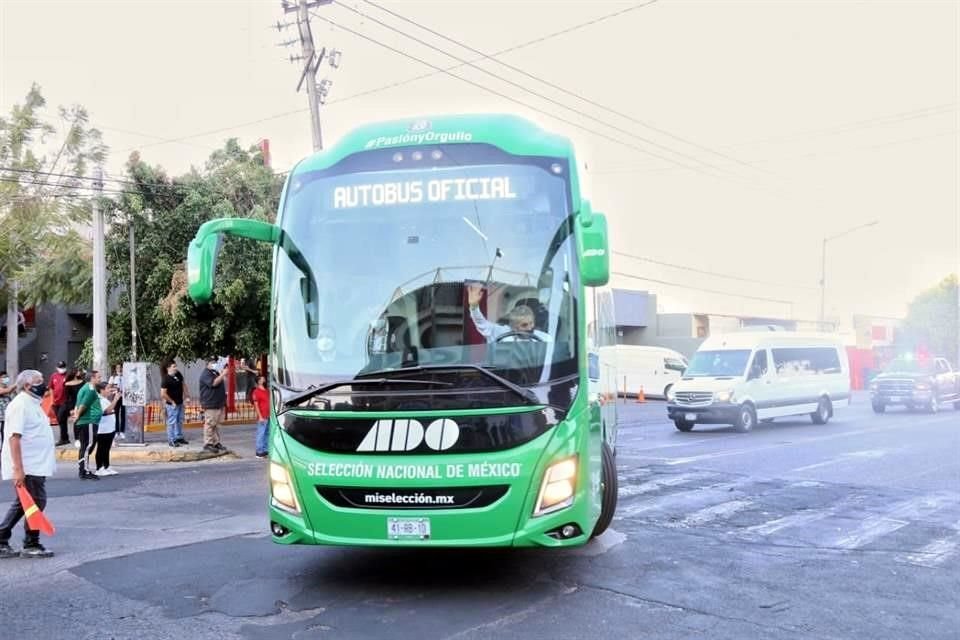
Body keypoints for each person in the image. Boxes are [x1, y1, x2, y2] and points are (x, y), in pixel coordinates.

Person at [0, 370, 56, 558]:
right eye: (38, 381)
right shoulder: (20, 405)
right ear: (26, 386)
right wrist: (18, 469)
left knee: (25, 503)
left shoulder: (33, 403)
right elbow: (14, 438)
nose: (43, 384)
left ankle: (2, 538)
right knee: (36, 501)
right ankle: (31, 542)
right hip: (27, 465)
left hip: (36, 464)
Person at [466, 284, 551, 342]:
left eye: (531, 323)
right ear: (513, 326)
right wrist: (474, 305)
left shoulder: (545, 338)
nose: (530, 328)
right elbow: (481, 323)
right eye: (524, 325)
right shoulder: (502, 332)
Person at [71, 370, 102, 480]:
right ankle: (84, 471)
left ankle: (84, 469)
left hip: (86, 422)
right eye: (98, 377)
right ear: (92, 378)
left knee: (85, 447)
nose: (100, 379)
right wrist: (78, 416)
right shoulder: (90, 389)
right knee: (87, 447)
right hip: (88, 421)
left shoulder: (84, 388)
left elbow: (77, 404)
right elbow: (83, 404)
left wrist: (76, 415)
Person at [198, 357, 228, 454]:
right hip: (210, 403)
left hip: (218, 403)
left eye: (215, 362)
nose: (215, 364)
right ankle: (208, 443)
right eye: (213, 362)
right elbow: (213, 383)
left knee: (216, 425)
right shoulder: (206, 374)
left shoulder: (215, 372)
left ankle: (216, 442)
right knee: (210, 424)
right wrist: (223, 374)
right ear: (208, 363)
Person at [160, 361, 189, 448]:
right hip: (172, 404)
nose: (175, 368)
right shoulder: (166, 379)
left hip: (180, 402)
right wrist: (172, 402)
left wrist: (187, 396)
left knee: (179, 420)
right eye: (173, 366)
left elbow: (184, 385)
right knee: (172, 422)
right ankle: (171, 440)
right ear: (168, 368)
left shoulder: (178, 374)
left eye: (176, 366)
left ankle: (178, 437)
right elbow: (163, 394)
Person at [94, 383, 121, 475]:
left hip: (109, 428)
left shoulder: (105, 399)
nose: (110, 390)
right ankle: (99, 468)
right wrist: (115, 400)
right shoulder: (99, 400)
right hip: (103, 429)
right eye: (108, 388)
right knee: (101, 448)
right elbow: (107, 410)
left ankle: (107, 466)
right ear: (101, 390)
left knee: (106, 448)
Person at [62, 369, 85, 447]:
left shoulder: (83, 382)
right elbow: (67, 398)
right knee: (76, 421)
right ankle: (77, 439)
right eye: (78, 371)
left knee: (84, 421)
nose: (79, 373)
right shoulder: (67, 384)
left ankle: (83, 437)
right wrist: (70, 408)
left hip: (83, 403)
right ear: (74, 373)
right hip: (73, 404)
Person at [49, 361, 69, 446]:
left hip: (65, 401)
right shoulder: (54, 376)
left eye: (63, 367)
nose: (62, 369)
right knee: (62, 421)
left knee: (61, 418)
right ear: (57, 368)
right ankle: (65, 438)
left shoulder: (68, 376)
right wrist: (51, 399)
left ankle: (63, 438)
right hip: (55, 402)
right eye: (60, 367)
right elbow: (51, 388)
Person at [251, 376, 270, 459]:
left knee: (267, 433)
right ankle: (259, 451)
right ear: (258, 381)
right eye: (262, 378)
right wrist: (260, 416)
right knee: (261, 434)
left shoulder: (267, 390)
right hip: (262, 416)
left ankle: (265, 450)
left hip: (268, 415)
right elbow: (256, 405)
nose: (264, 379)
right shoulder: (256, 391)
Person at [0, 371, 15, 461]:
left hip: (9, 416)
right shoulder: (5, 389)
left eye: (7, 377)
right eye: (4, 377)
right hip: (1, 417)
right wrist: (17, 384)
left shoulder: (10, 389)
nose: (6, 379)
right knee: (2, 434)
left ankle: (6, 450)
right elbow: (6, 391)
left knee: (7, 434)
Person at [108, 363, 126, 440]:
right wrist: (113, 387)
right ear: (115, 369)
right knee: (116, 414)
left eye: (120, 367)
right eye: (117, 367)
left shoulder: (125, 376)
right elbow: (109, 386)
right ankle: (116, 431)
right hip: (116, 396)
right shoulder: (113, 377)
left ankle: (122, 431)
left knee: (123, 414)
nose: (119, 369)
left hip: (124, 397)